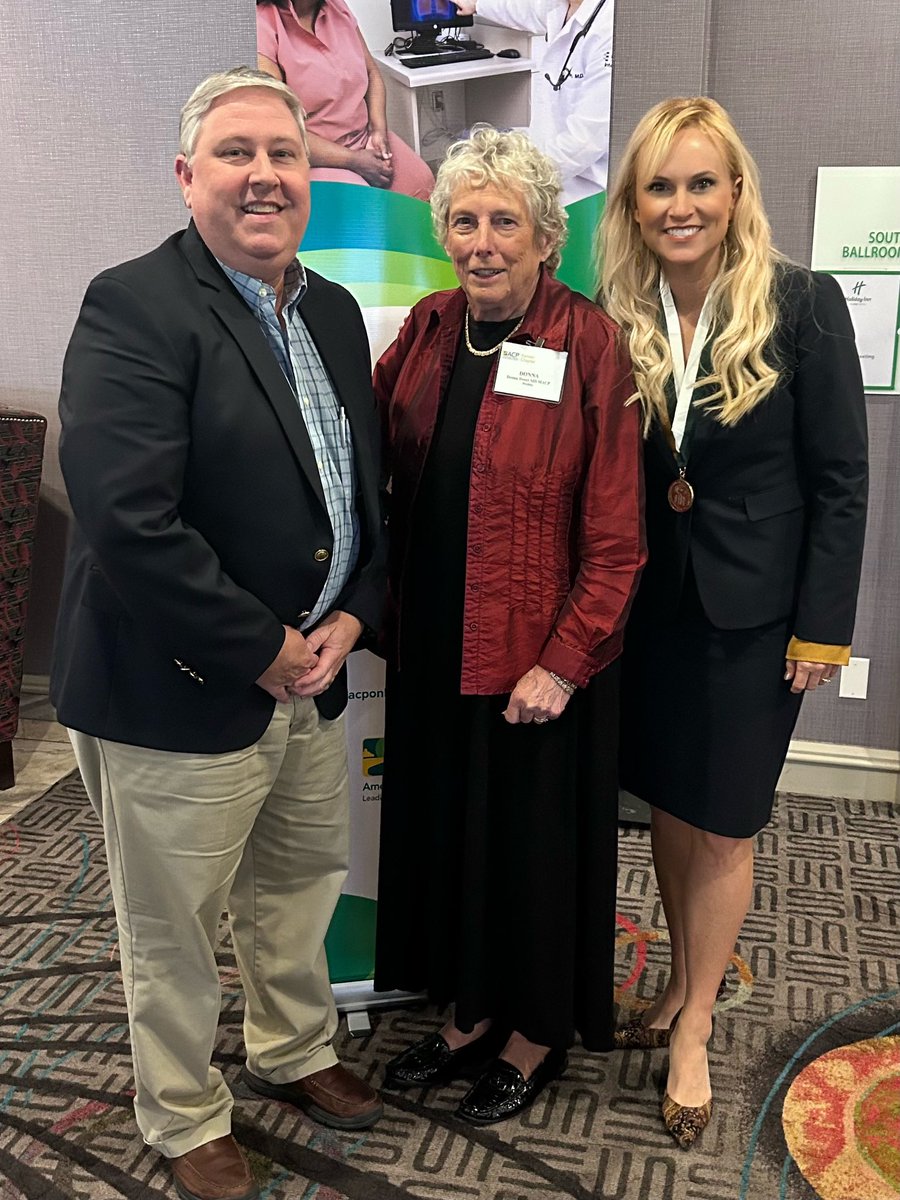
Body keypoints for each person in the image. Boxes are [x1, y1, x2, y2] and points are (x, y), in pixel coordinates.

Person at [51, 68, 387, 1200]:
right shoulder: (133, 304)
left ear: (311, 175)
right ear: (186, 175)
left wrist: (351, 614)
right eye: (236, 153)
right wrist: (261, 644)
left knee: (297, 886)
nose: (264, 176)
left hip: (315, 669)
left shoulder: (332, 310)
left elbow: (361, 493)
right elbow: (126, 517)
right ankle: (183, 1108)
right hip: (184, 683)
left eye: (284, 155)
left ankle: (292, 1049)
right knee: (174, 925)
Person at [597, 97, 868, 1149]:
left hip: (757, 615)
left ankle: (697, 1025)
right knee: (669, 802)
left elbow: (841, 480)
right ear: (634, 202)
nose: (681, 205)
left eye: (700, 182)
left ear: (736, 192)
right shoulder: (618, 308)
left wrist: (823, 628)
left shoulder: (801, 303)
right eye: (660, 185)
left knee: (725, 817)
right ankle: (678, 978)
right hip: (649, 605)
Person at [373, 124, 646, 1125]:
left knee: (530, 852)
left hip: (539, 657)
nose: (482, 239)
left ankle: (532, 1034)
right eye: (464, 219)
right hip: (437, 640)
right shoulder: (432, 326)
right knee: (456, 840)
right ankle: (468, 1013)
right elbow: (373, 463)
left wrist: (565, 662)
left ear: (545, 240)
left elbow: (618, 532)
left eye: (505, 221)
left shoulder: (586, 340)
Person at [257, 0, 435, 200]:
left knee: (422, 182)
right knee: (362, 204)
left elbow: (372, 73)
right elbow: (279, 129)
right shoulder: (264, 23)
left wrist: (378, 132)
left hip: (363, 137)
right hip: (314, 155)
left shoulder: (338, 7)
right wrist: (353, 160)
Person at [455, 0, 613, 204]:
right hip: (548, 163)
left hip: (583, 192)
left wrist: (515, 178)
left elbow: (585, 142)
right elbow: (522, 10)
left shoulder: (609, 27)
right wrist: (476, 5)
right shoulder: (562, 6)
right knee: (469, 143)